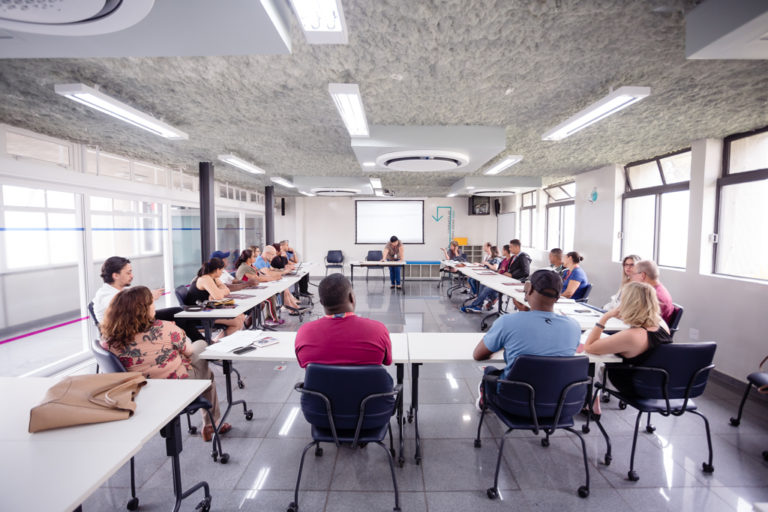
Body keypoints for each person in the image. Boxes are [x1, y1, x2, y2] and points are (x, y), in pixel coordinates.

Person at [101, 286, 230, 442]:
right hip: (175, 385)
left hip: (139, 392)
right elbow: (189, 351)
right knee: (202, 351)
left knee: (199, 366)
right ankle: (211, 423)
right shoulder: (166, 328)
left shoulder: (108, 341)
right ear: (143, 310)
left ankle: (211, 422)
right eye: (152, 303)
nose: (154, 306)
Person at [472, 270, 581, 409]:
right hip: (558, 405)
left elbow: (478, 355)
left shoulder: (507, 322)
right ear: (559, 297)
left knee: (490, 370)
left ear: (528, 288)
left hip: (513, 403)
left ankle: (485, 399)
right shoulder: (574, 326)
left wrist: (506, 344)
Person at [583, 281, 673, 409]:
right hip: (656, 381)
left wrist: (605, 317)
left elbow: (589, 347)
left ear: (629, 303)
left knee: (594, 359)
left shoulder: (632, 336)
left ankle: (592, 403)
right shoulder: (662, 324)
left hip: (632, 385)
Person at [92, 256, 203, 342]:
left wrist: (148, 296)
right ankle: (198, 345)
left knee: (177, 312)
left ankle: (199, 342)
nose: (132, 276)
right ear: (115, 275)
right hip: (126, 329)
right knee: (173, 319)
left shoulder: (120, 290)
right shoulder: (105, 296)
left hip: (135, 321)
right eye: (128, 273)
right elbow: (126, 313)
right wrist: (148, 298)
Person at [295, 274, 392, 367]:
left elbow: (302, 363)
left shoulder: (304, 333)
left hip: (321, 380)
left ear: (321, 302)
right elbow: (387, 361)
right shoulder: (378, 330)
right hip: (367, 380)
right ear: (351, 297)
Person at [185, 257, 245, 335]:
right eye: (222, 271)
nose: (222, 273)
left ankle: (219, 340)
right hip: (200, 315)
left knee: (241, 316)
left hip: (208, 309)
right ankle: (219, 342)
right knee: (237, 321)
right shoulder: (205, 278)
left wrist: (218, 291)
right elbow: (219, 296)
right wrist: (219, 292)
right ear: (217, 270)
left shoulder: (213, 277)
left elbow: (226, 289)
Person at [255, 245, 306, 314]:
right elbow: (268, 273)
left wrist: (284, 270)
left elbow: (273, 269)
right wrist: (284, 272)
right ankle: (292, 309)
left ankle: (295, 307)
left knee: (285, 288)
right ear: (267, 253)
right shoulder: (260, 261)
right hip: (260, 285)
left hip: (266, 281)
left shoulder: (265, 260)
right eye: (272, 254)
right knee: (282, 289)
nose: (274, 257)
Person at [461, 245, 512, 313]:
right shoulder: (504, 260)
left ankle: (476, 304)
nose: (501, 251)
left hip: (501, 281)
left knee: (485, 287)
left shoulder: (506, 260)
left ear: (506, 251)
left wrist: (498, 272)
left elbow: (498, 269)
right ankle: (479, 305)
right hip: (497, 278)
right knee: (481, 283)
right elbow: (500, 270)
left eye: (503, 250)